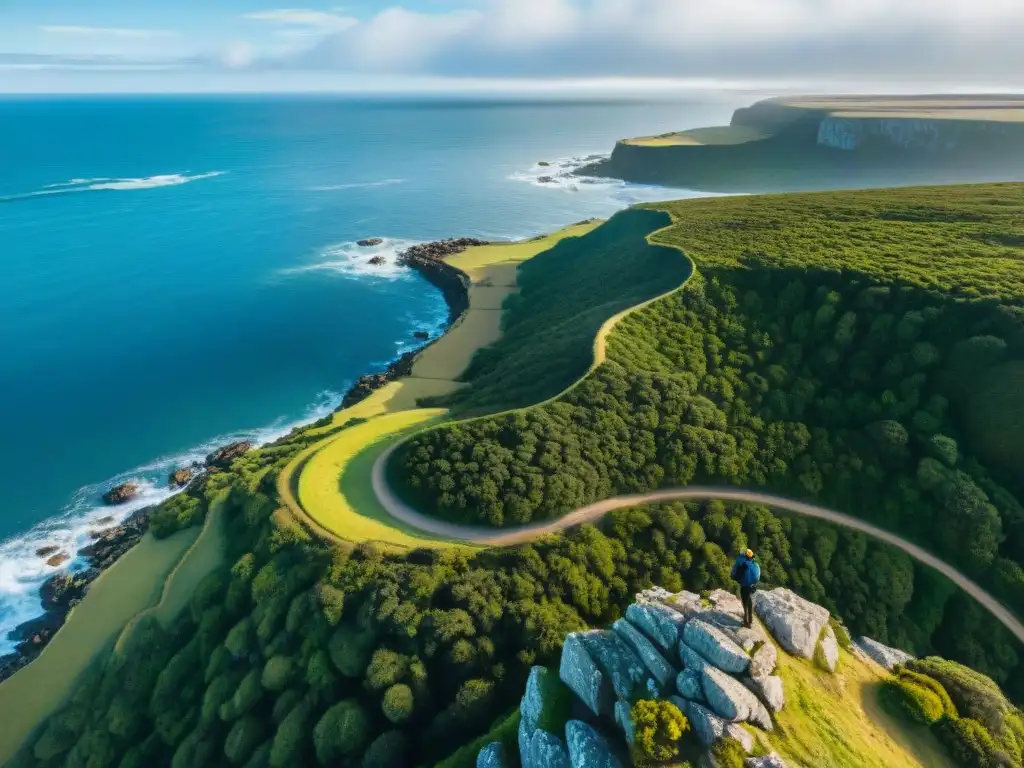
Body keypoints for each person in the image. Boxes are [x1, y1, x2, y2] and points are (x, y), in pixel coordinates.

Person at [731, 548, 761, 628]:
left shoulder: (743, 563)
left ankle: (747, 622)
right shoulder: (753, 563)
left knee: (745, 603)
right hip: (752, 586)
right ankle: (750, 619)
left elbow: (735, 571)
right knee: (749, 601)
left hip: (745, 586)